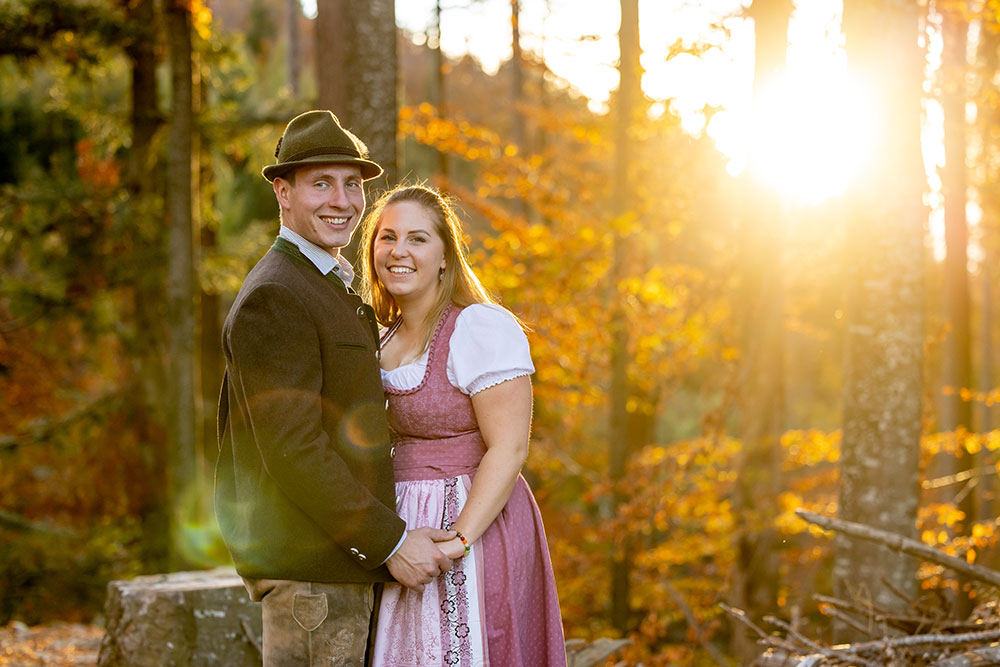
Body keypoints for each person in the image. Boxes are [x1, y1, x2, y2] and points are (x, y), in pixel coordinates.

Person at [215, 111, 455, 667]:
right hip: (311, 574)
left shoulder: (325, 284)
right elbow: (293, 448)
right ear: (283, 191)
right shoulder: (277, 295)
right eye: (322, 182)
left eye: (353, 184)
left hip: (334, 567)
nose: (343, 201)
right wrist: (390, 541)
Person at [359, 184, 567, 666]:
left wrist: (458, 539)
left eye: (417, 239)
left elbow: (509, 449)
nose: (399, 251)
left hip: (475, 523)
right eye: (387, 238)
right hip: (403, 529)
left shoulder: (478, 328)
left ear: (445, 258)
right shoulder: (376, 337)